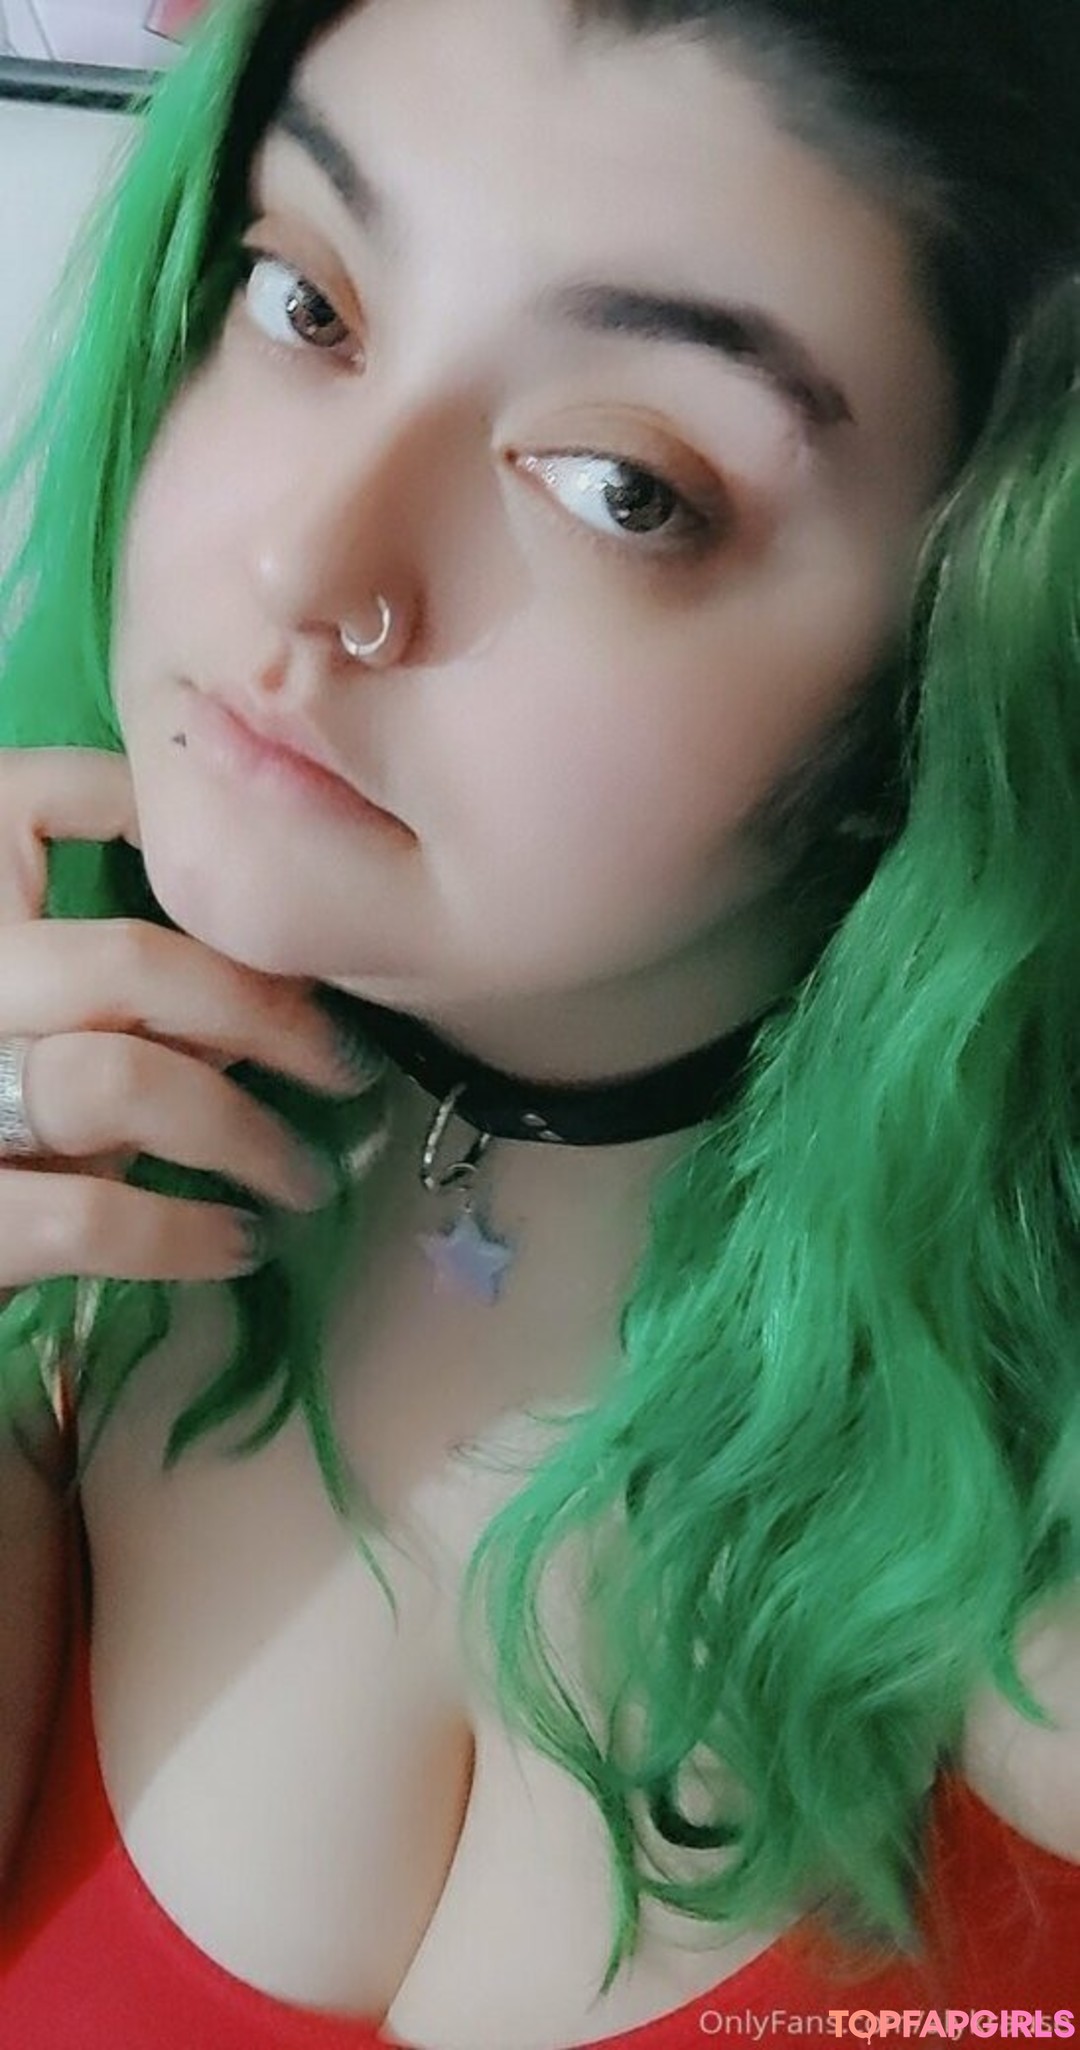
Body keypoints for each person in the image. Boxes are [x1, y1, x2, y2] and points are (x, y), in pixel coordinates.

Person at [0, 0, 1077, 2043]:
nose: (306, 560)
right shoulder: (80, 1156)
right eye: (306, 300)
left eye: (620, 486)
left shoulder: (1023, 1537)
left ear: (969, 648)